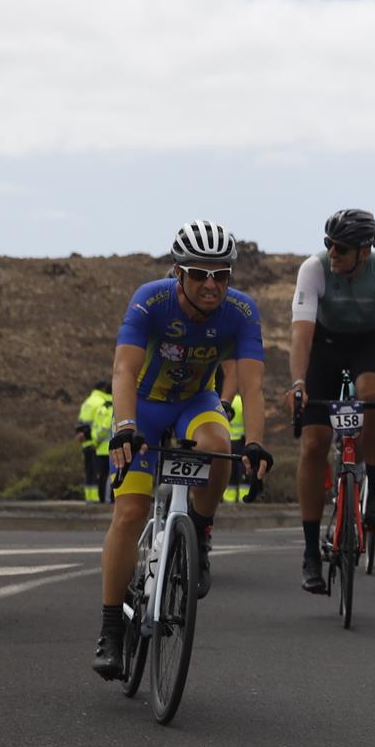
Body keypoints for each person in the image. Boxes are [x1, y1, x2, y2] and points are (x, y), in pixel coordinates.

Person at [91, 220, 268, 678]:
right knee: (129, 513)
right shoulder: (151, 299)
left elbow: (251, 384)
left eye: (221, 275)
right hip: (145, 408)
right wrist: (126, 425)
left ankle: (201, 534)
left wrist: (257, 444)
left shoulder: (242, 311)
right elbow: (124, 371)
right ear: (178, 273)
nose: (211, 284)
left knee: (219, 443)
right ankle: (111, 630)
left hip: (194, 401)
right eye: (199, 273)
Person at [287, 208, 375, 594]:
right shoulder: (314, 269)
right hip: (324, 346)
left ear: (365, 250)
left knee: (374, 396)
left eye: (340, 247)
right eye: (329, 244)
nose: (332, 252)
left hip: (368, 345)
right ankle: (310, 552)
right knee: (314, 444)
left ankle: (374, 491)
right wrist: (298, 383)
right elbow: (301, 335)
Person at [77, 379, 114, 503]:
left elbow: (81, 424)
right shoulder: (103, 403)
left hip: (87, 443)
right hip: (99, 444)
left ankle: (90, 498)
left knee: (90, 472)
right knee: (104, 474)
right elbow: (105, 425)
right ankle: (100, 499)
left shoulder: (87, 402)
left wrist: (81, 435)